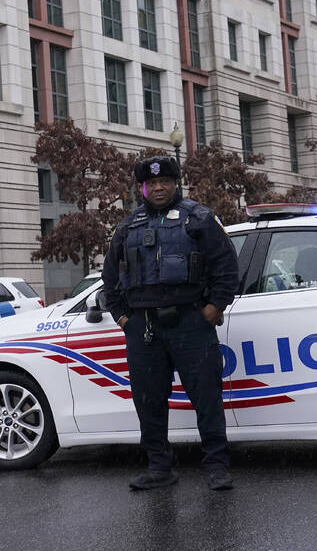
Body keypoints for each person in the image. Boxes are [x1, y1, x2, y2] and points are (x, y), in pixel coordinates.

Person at [101, 155, 239, 491]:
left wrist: (215, 306)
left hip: (191, 322)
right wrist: (124, 319)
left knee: (206, 397)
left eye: (165, 182)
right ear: (141, 187)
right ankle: (160, 467)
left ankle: (217, 467)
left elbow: (226, 267)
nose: (159, 187)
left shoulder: (200, 219)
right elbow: (109, 279)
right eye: (152, 183)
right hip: (145, 329)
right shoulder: (128, 226)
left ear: (176, 183)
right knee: (148, 401)